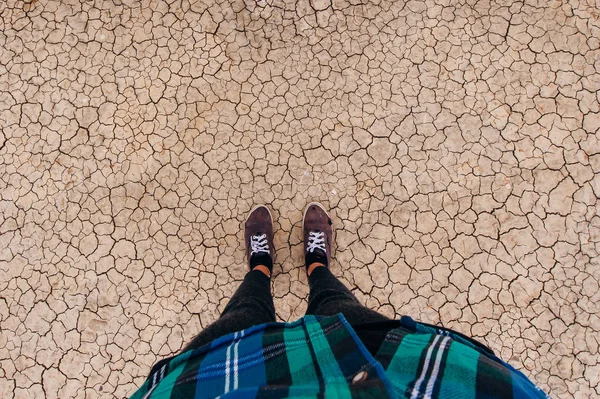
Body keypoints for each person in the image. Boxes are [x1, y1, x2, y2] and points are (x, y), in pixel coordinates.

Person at [130, 203, 549, 399]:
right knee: (338, 310)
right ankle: (314, 267)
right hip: (409, 375)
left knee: (243, 315)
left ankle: (262, 268)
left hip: (221, 380)